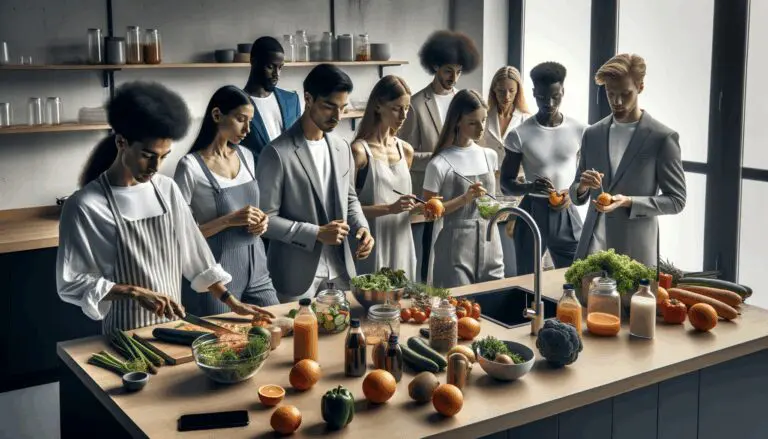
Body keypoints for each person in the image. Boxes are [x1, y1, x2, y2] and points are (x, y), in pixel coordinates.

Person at [57, 82, 274, 332]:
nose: (155, 167)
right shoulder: (85, 205)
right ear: (121, 143)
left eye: (163, 157)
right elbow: (71, 283)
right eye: (148, 156)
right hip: (126, 335)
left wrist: (231, 301)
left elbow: (196, 257)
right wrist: (133, 292)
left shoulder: (166, 190)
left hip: (174, 329)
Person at [256, 64, 374, 301]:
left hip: (342, 268)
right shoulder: (276, 153)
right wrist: (317, 233)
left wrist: (363, 227)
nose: (337, 117)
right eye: (329, 106)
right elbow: (266, 220)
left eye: (342, 108)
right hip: (295, 275)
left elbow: (349, 197)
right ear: (308, 99)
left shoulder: (342, 147)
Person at [569, 53, 686, 266]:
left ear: (640, 87)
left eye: (625, 93)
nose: (617, 102)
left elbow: (676, 200)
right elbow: (577, 194)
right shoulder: (592, 134)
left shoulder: (662, 138)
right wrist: (582, 187)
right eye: (610, 93)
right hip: (591, 250)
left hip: (635, 253)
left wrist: (630, 202)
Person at [174, 86, 278, 316]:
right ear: (217, 115)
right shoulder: (190, 167)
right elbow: (181, 236)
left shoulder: (248, 156)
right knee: (224, 344)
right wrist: (228, 220)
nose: (247, 129)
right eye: (241, 119)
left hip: (259, 270)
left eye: (250, 121)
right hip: (218, 278)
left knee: (279, 325)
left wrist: (263, 223)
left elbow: (258, 211)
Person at [400, 30, 480, 282]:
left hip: (461, 195)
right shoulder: (415, 104)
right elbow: (406, 154)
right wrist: (440, 158)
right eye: (448, 70)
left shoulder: (465, 100)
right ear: (434, 65)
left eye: (458, 71)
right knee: (428, 262)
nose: (453, 77)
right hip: (430, 195)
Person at [500, 61, 586, 275]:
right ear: (533, 93)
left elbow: (587, 178)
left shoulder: (581, 130)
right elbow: (505, 184)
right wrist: (529, 187)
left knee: (575, 277)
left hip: (567, 211)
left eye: (555, 96)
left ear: (563, 91)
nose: (549, 102)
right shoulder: (519, 134)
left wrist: (573, 193)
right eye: (541, 97)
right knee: (527, 280)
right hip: (532, 210)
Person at [423, 89, 504, 288]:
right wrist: (464, 199)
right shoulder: (439, 163)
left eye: (484, 120)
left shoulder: (489, 156)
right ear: (457, 121)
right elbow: (427, 212)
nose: (481, 128)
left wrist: (501, 208)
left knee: (494, 301)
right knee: (459, 309)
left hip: (491, 240)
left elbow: (493, 199)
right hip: (455, 248)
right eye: (473, 122)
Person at [350, 75, 417, 280]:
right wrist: (390, 208)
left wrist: (420, 207)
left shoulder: (406, 150)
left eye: (407, 108)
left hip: (403, 243)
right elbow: (345, 210)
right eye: (397, 108)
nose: (404, 115)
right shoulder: (358, 152)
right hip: (371, 246)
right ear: (379, 105)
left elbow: (404, 206)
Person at [478, 65, 531, 277]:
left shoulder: (527, 120)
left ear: (518, 91)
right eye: (501, 91)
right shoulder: (483, 117)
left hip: (515, 192)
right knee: (491, 244)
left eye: (511, 90)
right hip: (489, 189)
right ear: (493, 91)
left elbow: (531, 160)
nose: (506, 96)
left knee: (513, 246)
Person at [241, 36, 302, 164]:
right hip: (257, 178)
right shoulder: (237, 104)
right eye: (270, 67)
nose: (276, 74)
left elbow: (300, 143)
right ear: (253, 62)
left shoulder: (291, 100)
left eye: (280, 67)